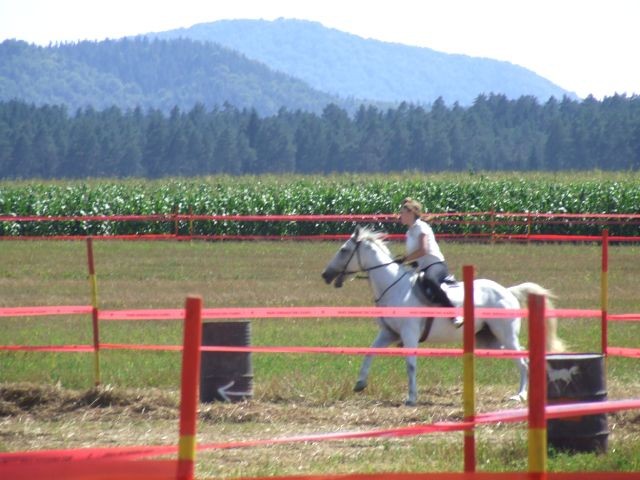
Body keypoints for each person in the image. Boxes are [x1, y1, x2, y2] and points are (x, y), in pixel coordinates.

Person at [396, 197, 462, 327]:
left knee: (430, 279)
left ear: (410, 213)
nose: (400, 216)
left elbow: (423, 250)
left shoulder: (421, 227)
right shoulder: (409, 232)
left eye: (402, 213)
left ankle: (454, 314)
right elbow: (417, 256)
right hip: (422, 267)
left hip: (436, 265)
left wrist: (404, 259)